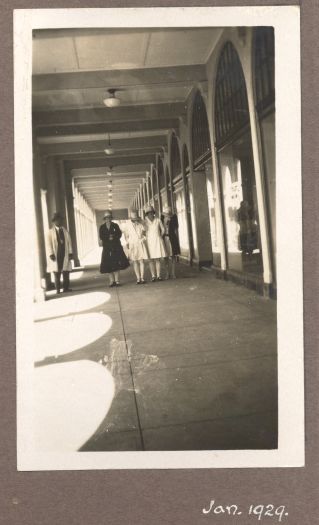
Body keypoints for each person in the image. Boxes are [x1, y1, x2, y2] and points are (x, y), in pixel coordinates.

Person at [99, 210, 129, 287]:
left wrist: (114, 237)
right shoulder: (102, 227)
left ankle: (117, 281)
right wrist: (108, 237)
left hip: (116, 247)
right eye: (106, 218)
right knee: (108, 265)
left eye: (109, 218)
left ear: (111, 218)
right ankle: (111, 281)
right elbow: (101, 236)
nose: (108, 219)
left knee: (116, 264)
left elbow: (119, 233)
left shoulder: (115, 225)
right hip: (107, 248)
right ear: (105, 219)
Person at [46, 211, 73, 294]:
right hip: (56, 254)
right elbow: (48, 244)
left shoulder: (65, 231)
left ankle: (66, 288)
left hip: (64, 253)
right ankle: (57, 289)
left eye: (61, 220)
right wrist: (51, 254)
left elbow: (69, 242)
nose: (59, 222)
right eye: (57, 220)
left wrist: (70, 253)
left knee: (66, 272)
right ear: (54, 222)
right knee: (56, 273)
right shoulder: (50, 232)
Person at [125, 210, 149, 284]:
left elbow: (145, 234)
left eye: (136, 219)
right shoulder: (128, 226)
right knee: (135, 261)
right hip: (132, 244)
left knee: (141, 261)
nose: (135, 221)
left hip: (140, 244)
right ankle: (138, 278)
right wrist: (128, 242)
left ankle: (142, 278)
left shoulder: (141, 225)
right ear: (131, 219)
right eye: (133, 220)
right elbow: (126, 236)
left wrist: (142, 239)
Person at [144, 205, 166, 281]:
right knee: (151, 260)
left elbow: (163, 229)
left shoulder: (158, 220)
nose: (150, 214)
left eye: (151, 213)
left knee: (157, 259)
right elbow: (142, 231)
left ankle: (158, 275)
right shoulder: (144, 221)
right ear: (146, 214)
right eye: (148, 213)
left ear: (153, 213)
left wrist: (160, 236)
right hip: (149, 242)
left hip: (157, 241)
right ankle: (153, 276)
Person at [161, 205, 181, 279]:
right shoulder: (162, 218)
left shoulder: (174, 217)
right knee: (165, 256)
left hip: (172, 238)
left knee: (173, 256)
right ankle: (167, 273)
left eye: (168, 215)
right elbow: (160, 228)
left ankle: (173, 273)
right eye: (166, 215)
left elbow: (176, 227)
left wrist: (170, 222)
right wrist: (164, 223)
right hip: (164, 238)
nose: (167, 216)